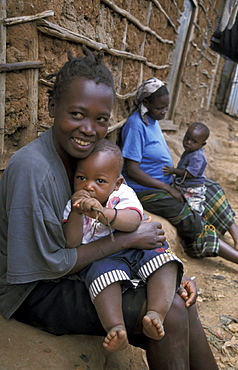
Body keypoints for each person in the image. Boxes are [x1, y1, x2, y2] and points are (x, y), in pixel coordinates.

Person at [0, 47, 218, 369]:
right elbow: (52, 265)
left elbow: (103, 227)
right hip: (33, 290)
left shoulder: (82, 160)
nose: (89, 129)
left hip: (72, 267)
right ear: (51, 107)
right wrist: (128, 240)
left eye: (101, 119)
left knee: (176, 299)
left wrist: (161, 269)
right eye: (77, 114)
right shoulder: (34, 171)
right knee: (169, 311)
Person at [62, 139, 183, 352]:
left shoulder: (123, 194)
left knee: (164, 258)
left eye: (99, 181)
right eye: (81, 178)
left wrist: (102, 213)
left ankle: (156, 312)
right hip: (104, 258)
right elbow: (70, 243)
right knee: (101, 279)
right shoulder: (72, 206)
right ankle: (115, 327)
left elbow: (133, 221)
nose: (88, 186)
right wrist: (76, 212)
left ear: (116, 183)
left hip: (136, 249)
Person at [121, 77, 238, 263]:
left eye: (166, 107)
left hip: (166, 182)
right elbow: (133, 171)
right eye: (160, 108)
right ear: (145, 102)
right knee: (188, 216)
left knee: (211, 188)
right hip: (146, 191)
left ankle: (236, 238)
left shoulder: (152, 120)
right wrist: (168, 188)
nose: (165, 111)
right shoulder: (136, 126)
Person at [163, 122, 210, 215]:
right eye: (187, 138)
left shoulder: (197, 156)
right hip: (184, 184)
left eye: (194, 141)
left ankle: (197, 220)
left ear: (202, 144)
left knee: (194, 206)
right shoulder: (190, 151)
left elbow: (190, 174)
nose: (188, 142)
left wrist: (173, 171)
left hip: (193, 188)